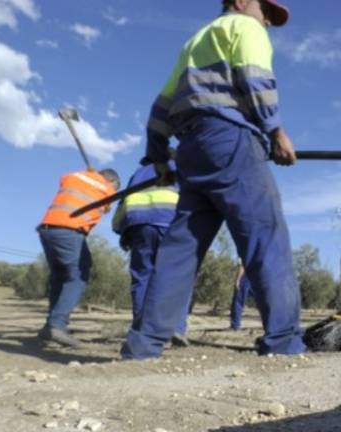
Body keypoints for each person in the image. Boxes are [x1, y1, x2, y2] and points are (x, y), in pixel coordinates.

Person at [121, 0, 305, 359]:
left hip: (192, 148)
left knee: (180, 249)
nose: (266, 20)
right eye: (265, 10)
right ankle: (283, 342)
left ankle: (143, 344)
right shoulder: (243, 27)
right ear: (239, 1)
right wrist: (275, 131)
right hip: (232, 141)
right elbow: (254, 75)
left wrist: (157, 154)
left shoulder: (194, 43)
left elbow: (161, 106)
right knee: (266, 238)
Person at [111, 158, 190, 347]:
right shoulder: (179, 167)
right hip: (169, 220)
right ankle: (175, 328)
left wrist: (122, 231)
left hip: (139, 225)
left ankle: (142, 329)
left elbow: (123, 203)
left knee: (142, 277)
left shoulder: (137, 174)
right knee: (178, 277)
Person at [37, 168, 120, 347]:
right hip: (68, 231)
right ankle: (57, 326)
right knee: (79, 276)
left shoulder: (75, 177)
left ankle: (50, 329)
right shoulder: (106, 189)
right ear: (111, 182)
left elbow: (64, 178)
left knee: (60, 277)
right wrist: (107, 191)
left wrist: (90, 174)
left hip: (48, 229)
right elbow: (107, 205)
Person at [229, 265, 253, 330]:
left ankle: (235, 326)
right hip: (260, 275)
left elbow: (242, 265)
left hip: (246, 277)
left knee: (238, 302)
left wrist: (238, 279)